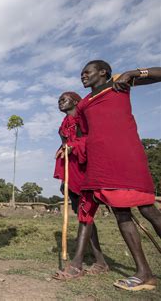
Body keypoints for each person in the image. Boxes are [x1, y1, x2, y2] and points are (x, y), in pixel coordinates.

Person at [58, 62, 161, 291]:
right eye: (81, 73)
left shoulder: (118, 83)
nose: (82, 76)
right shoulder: (83, 104)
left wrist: (133, 73)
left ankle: (144, 272)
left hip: (126, 155)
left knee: (148, 210)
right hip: (101, 163)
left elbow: (159, 74)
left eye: (87, 72)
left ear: (103, 72)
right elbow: (85, 133)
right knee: (121, 213)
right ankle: (144, 273)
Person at [52, 91, 108, 280]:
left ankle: (89, 261)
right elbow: (66, 146)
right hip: (73, 172)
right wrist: (64, 181)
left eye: (64, 98)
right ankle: (100, 261)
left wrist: (74, 146)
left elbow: (93, 140)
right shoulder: (63, 127)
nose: (60, 101)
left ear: (76, 101)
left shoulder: (85, 119)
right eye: (59, 99)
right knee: (84, 216)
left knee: (97, 215)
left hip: (91, 169)